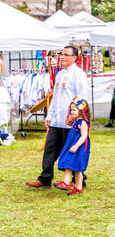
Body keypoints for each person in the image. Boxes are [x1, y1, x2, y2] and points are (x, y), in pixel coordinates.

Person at [26, 45, 88, 189]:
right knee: (50, 150)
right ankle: (45, 178)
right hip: (57, 120)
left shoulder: (79, 74)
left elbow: (82, 98)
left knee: (71, 150)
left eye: (66, 54)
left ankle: (79, 180)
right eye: (62, 54)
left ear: (74, 58)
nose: (63, 57)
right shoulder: (60, 74)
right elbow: (55, 97)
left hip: (71, 122)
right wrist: (49, 115)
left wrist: (76, 116)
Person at [54, 97, 91, 195]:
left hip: (79, 148)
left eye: (74, 110)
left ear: (82, 111)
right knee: (69, 163)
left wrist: (76, 145)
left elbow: (84, 136)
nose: (72, 112)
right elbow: (67, 123)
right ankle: (74, 186)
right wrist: (70, 117)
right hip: (72, 146)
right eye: (71, 110)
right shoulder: (76, 121)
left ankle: (70, 185)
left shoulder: (82, 122)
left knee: (77, 168)